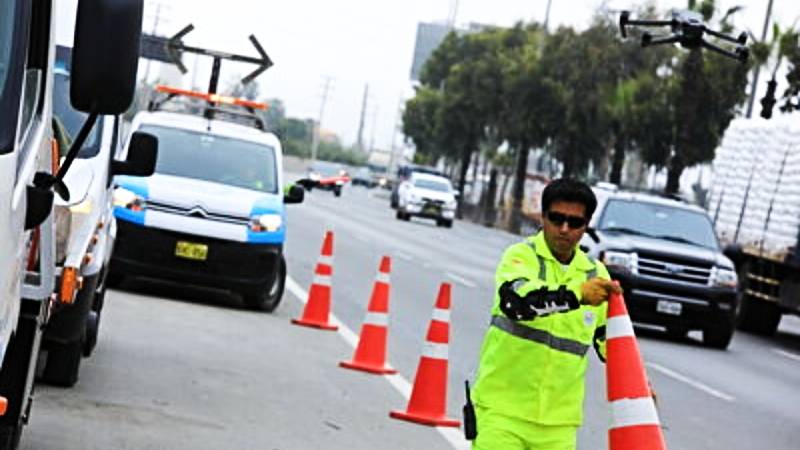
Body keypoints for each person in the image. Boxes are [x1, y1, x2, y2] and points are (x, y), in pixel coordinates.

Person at [469, 178, 620, 450]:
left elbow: (611, 341)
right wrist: (576, 295)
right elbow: (517, 303)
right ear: (543, 216)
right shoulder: (520, 257)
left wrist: (638, 384)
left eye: (575, 223)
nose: (564, 229)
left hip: (558, 425)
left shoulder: (596, 275)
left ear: (586, 226)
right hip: (502, 413)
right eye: (556, 218)